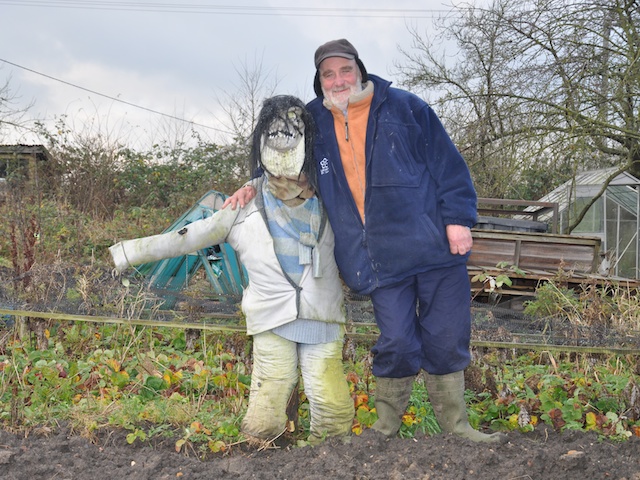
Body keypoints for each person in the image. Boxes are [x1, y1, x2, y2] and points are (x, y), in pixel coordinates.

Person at [224, 40, 504, 443]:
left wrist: (458, 219)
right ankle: (386, 427)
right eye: (328, 74)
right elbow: (280, 159)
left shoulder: (405, 108)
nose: (338, 80)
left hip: (433, 249)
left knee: (445, 337)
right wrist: (252, 186)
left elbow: (449, 165)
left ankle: (457, 429)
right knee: (397, 342)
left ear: (360, 70)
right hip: (377, 259)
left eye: (345, 70)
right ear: (320, 81)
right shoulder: (312, 123)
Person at [109, 95, 354, 446]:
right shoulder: (246, 204)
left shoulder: (331, 195)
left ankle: (333, 457)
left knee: (330, 400)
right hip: (271, 315)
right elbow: (190, 236)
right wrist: (127, 253)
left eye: (294, 129)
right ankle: (260, 451)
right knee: (270, 393)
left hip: (323, 314)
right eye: (274, 130)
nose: (284, 137)